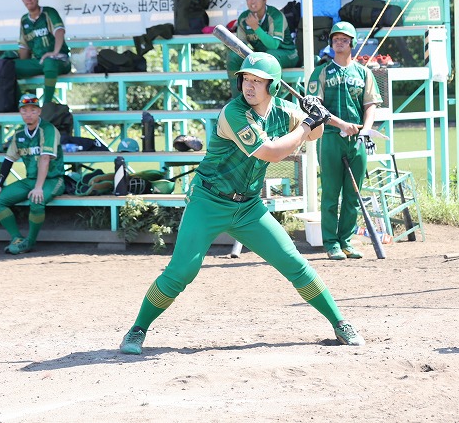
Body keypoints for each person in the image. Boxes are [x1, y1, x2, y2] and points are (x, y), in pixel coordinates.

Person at [119, 52, 364, 355]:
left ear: (273, 86)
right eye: (246, 79)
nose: (249, 86)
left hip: (248, 207)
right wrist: (306, 124)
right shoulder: (234, 113)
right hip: (208, 201)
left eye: (257, 81)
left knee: (294, 263)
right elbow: (272, 152)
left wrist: (315, 113)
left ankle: (340, 322)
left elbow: (315, 133)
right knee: (181, 272)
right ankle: (137, 329)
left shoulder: (283, 109)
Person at [307, 22, 383, 260]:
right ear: (331, 43)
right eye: (335, 39)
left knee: (353, 194)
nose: (339, 43)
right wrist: (340, 124)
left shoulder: (364, 73)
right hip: (330, 137)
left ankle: (346, 241)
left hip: (357, 139)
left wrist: (365, 130)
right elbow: (315, 108)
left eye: (344, 39)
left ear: (352, 43)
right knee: (331, 193)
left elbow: (370, 106)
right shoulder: (321, 72)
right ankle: (331, 243)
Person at [0, 93, 65, 254]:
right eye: (24, 110)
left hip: (53, 179)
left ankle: (29, 242)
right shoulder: (19, 134)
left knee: (36, 200)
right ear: (20, 112)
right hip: (31, 179)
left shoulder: (48, 129)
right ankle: (16, 237)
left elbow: (45, 159)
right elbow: (9, 159)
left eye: (33, 110)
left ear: (39, 112)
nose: (28, 114)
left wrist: (38, 187)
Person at [227, 0, 299, 98]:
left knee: (269, 56)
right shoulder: (244, 18)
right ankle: (237, 100)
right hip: (261, 56)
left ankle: (272, 100)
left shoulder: (275, 15)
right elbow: (241, 45)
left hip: (287, 54)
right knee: (234, 56)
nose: (252, 1)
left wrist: (256, 27)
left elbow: (273, 45)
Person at [15, 0, 71, 104]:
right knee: (8, 67)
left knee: (50, 62)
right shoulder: (24, 20)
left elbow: (59, 31)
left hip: (59, 60)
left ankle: (46, 106)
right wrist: (25, 65)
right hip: (39, 62)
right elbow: (24, 47)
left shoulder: (49, 12)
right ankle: (19, 105)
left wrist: (54, 52)